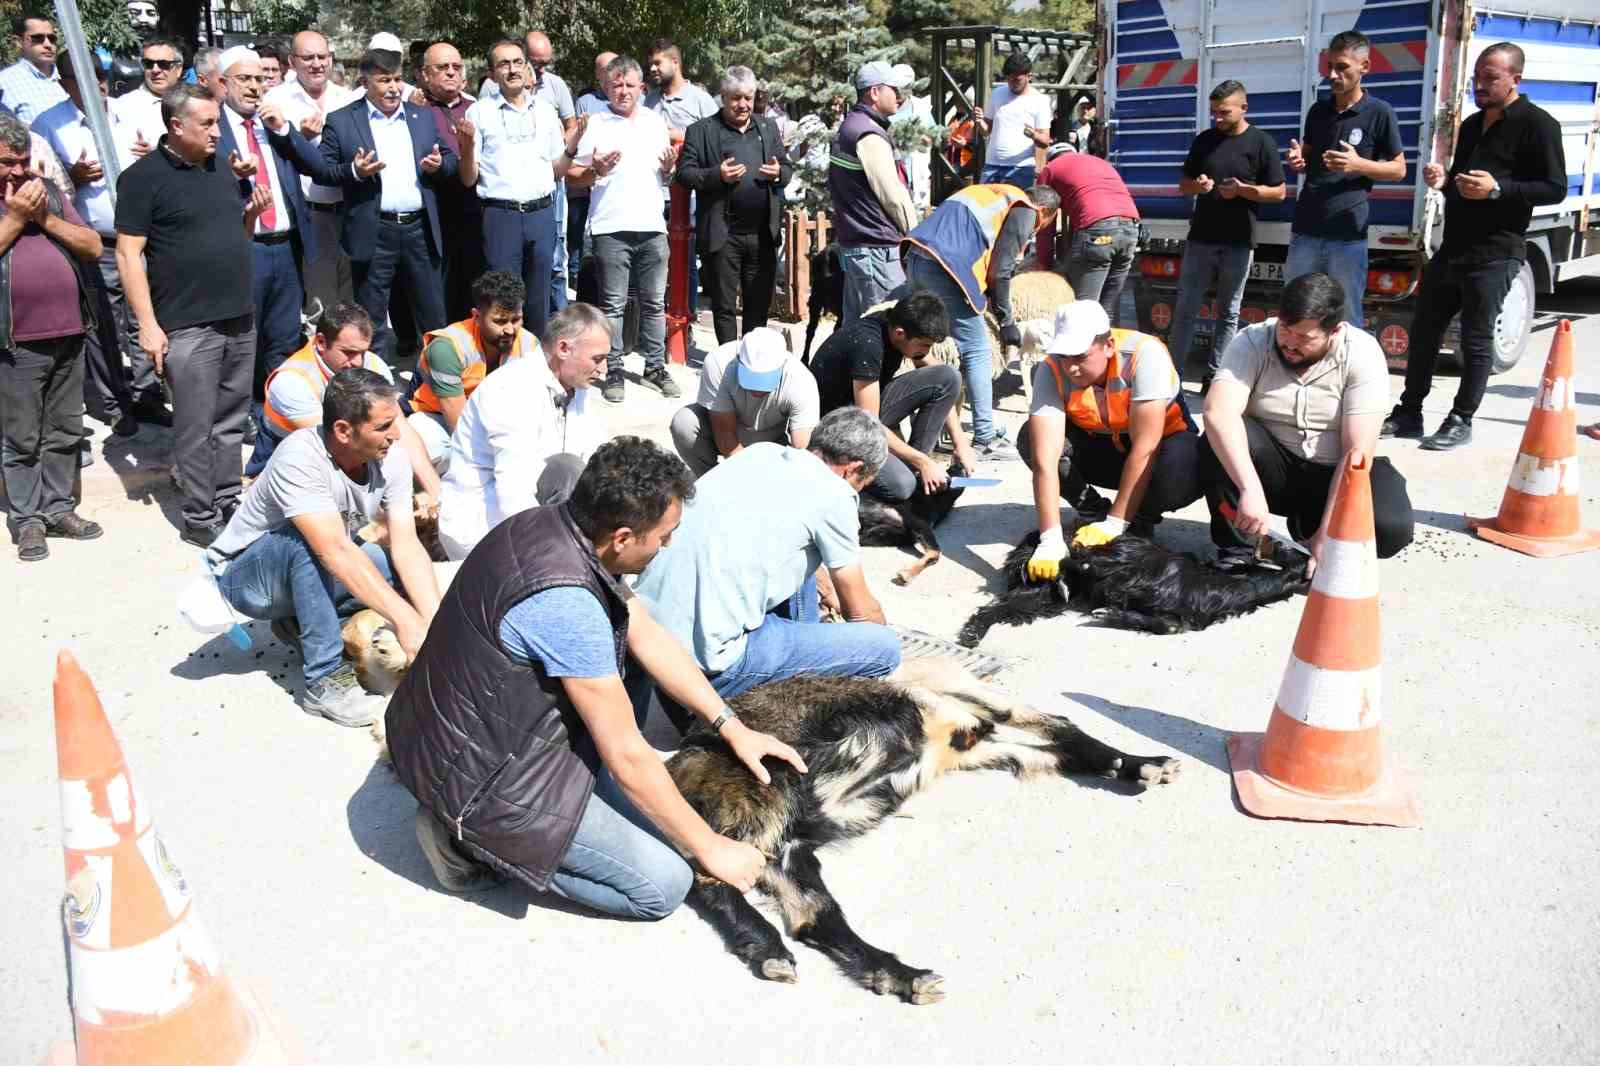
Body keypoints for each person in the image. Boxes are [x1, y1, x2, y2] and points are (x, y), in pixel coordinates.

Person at [386, 437, 806, 913]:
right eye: (664, 536)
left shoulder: (551, 527)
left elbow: (645, 633)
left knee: (662, 816)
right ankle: (464, 842)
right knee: (663, 884)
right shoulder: (567, 604)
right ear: (623, 537)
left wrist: (732, 726)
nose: (669, 545)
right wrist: (712, 848)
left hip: (454, 732)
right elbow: (627, 755)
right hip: (488, 783)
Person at [207, 368, 441, 727]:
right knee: (312, 543)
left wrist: (434, 625)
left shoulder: (390, 454)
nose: (395, 434)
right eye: (383, 426)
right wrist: (406, 622)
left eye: (395, 422)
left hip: (311, 563)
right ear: (344, 431)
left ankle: (303, 622)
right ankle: (324, 680)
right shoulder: (300, 456)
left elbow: (406, 544)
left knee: (393, 568)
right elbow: (333, 551)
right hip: (247, 580)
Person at [635, 406, 902, 700]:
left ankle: (801, 651)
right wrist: (876, 635)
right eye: (864, 482)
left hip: (651, 644)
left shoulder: (760, 453)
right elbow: (861, 611)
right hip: (712, 672)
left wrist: (827, 592)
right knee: (884, 647)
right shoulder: (836, 495)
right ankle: (796, 693)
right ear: (853, 468)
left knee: (806, 551)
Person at [1381, 42, 1565, 451]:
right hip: (1455, 247)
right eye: (1477, 78)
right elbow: (1463, 182)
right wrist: (1444, 180)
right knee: (1425, 330)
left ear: (1516, 79)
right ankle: (1409, 410)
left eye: (1490, 79)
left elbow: (1554, 188)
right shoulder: (1471, 124)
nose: (1479, 86)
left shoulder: (1539, 125)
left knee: (1475, 339)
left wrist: (1498, 189)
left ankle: (1461, 419)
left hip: (1497, 251)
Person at [115, 83, 274, 547]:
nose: (216, 130)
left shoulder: (221, 169)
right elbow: (128, 255)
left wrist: (251, 215)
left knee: (229, 419)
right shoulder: (143, 178)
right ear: (175, 125)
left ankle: (226, 498)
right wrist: (148, 325)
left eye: (217, 121)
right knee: (195, 426)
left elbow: (233, 236)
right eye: (207, 123)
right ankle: (200, 515)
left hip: (237, 316)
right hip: (186, 324)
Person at [1202, 272, 1413, 568]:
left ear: (1335, 331)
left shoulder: (1362, 354)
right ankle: (1238, 549)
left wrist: (1329, 533)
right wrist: (1249, 488)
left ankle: (1311, 526)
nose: (1290, 343)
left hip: (1332, 471)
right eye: (1286, 330)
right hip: (1273, 468)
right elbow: (1218, 412)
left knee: (1390, 529)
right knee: (1219, 436)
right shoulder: (1253, 341)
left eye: (1305, 337)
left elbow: (1355, 454)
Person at [1017, 301, 1205, 576]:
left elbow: (1145, 448)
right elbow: (1045, 458)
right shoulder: (1051, 367)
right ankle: (1092, 510)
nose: (1071, 367)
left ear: (1108, 346)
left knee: (1188, 465)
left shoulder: (1144, 354)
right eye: (1064, 356)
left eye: (1080, 356)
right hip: (1103, 448)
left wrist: (1117, 524)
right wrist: (1050, 539)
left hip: (1158, 449)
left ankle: (1139, 518)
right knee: (1029, 437)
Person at [0, 110, 104, 562]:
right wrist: (17, 218)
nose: (17, 170)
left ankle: (60, 509)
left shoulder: (50, 197)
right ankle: (28, 521)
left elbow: (94, 247)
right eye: (6, 161)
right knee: (22, 437)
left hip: (69, 332)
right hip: (16, 343)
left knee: (64, 430)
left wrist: (45, 218)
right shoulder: (19, 206)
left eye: (22, 160)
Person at [308, 48, 458, 361]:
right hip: (373, 232)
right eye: (384, 80)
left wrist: (438, 165)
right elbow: (321, 171)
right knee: (372, 319)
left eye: (398, 79)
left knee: (432, 314)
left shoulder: (421, 117)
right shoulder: (342, 120)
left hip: (419, 229)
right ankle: (373, 386)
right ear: (365, 82)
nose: (393, 87)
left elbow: (451, 162)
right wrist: (354, 171)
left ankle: (440, 381)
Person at [901, 182, 1061, 461]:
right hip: (945, 268)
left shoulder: (993, 193)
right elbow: (1001, 270)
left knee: (929, 345)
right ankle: (986, 437)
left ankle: (928, 429)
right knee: (977, 350)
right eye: (1044, 224)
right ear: (1045, 211)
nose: (1038, 229)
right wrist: (1006, 320)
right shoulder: (1024, 208)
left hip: (915, 256)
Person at [437, 303, 610, 559]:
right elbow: (513, 493)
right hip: (482, 531)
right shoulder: (512, 388)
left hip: (536, 506)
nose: (604, 370)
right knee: (568, 470)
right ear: (563, 349)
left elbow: (596, 453)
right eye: (597, 359)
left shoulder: (575, 383)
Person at [217, 47, 321, 450]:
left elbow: (315, 164)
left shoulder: (271, 125)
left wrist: (283, 131)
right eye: (245, 79)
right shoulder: (215, 127)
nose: (254, 87)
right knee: (245, 337)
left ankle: (274, 409)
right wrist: (231, 176)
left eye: (260, 79)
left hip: (286, 245)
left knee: (282, 335)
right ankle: (238, 412)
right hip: (246, 247)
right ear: (224, 84)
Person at [32, 53, 139, 438]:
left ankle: (146, 395)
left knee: (144, 318)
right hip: (97, 242)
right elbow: (45, 190)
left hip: (142, 237)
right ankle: (115, 402)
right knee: (105, 324)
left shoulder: (129, 115)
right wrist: (73, 177)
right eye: (80, 78)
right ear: (64, 83)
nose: (95, 84)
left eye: (98, 75)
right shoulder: (49, 125)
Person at [566, 54, 681, 404]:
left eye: (630, 85)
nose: (623, 91)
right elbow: (572, 173)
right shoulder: (596, 124)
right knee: (613, 305)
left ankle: (654, 366)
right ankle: (612, 367)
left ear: (642, 88)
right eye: (616, 85)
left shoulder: (655, 122)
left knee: (654, 303)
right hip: (610, 226)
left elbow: (664, 175)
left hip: (651, 225)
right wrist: (595, 170)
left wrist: (670, 169)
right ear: (606, 87)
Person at [250, 302, 442, 503]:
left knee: (421, 445)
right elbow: (336, 448)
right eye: (349, 352)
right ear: (321, 342)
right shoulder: (292, 381)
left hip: (348, 458)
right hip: (287, 474)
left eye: (363, 352)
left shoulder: (374, 364)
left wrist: (437, 495)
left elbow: (402, 431)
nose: (358, 362)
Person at [1167, 80, 1286, 387]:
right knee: (1185, 310)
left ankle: (1216, 376)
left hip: (1239, 241)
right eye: (1214, 113)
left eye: (1223, 112)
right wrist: (1199, 186)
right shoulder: (1204, 140)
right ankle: (1172, 375)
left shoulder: (1261, 143)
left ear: (1244, 108)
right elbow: (1183, 184)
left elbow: (1280, 192)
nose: (1217, 118)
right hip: (1201, 239)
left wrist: (1244, 191)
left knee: (1228, 313)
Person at [1283, 31, 1406, 327]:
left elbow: (1399, 169)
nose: (1334, 75)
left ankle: (1347, 373)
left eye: (1342, 67)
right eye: (1330, 68)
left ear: (1364, 67)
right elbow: (1308, 156)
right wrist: (1298, 161)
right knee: (1296, 310)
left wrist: (1358, 163)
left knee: (1346, 315)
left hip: (1348, 236)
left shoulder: (1379, 112)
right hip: (1306, 231)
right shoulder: (1318, 111)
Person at [458, 38, 579, 341]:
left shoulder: (547, 111)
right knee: (502, 296)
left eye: (517, 63)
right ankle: (500, 361)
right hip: (501, 215)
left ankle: (534, 360)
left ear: (527, 69)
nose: (512, 70)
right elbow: (468, 179)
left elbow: (556, 170)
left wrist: (574, 147)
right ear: (492, 73)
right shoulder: (479, 112)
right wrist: (468, 147)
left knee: (539, 293)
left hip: (541, 213)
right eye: (503, 64)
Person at [810, 292, 978, 500]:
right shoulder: (868, 344)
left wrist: (960, 443)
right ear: (899, 333)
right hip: (837, 428)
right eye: (924, 345)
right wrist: (923, 463)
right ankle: (912, 471)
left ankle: (916, 468)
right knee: (901, 486)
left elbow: (944, 380)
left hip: (862, 411)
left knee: (949, 376)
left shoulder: (900, 324)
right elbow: (868, 425)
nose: (927, 351)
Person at [675, 65, 791, 345]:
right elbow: (685, 174)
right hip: (723, 234)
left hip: (762, 233)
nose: (743, 105)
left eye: (748, 98)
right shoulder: (701, 131)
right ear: (723, 97)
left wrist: (778, 174)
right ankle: (727, 360)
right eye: (736, 98)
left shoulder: (767, 126)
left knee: (757, 306)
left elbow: (786, 169)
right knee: (724, 307)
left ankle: (752, 360)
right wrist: (718, 175)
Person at [263, 31, 361, 313]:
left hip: (350, 209)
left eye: (322, 57)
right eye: (308, 58)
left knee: (353, 294)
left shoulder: (348, 98)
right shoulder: (276, 100)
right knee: (320, 301)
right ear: (292, 61)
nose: (317, 64)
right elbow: (271, 156)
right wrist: (299, 138)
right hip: (309, 214)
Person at [407, 269, 538, 468]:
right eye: (500, 321)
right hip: (437, 416)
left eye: (516, 319)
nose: (510, 330)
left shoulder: (529, 345)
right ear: (476, 316)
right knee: (439, 451)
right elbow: (459, 426)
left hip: (493, 420)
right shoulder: (447, 348)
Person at [828, 61, 917, 324]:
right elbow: (892, 196)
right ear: (874, 92)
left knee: (856, 328)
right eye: (893, 89)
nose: (899, 96)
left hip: (859, 247)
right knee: (883, 327)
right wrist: (915, 237)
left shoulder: (851, 126)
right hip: (877, 249)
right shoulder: (867, 133)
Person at [670, 326, 819, 477]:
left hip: (772, 442)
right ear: (738, 360)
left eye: (765, 381)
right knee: (684, 423)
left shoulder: (801, 381)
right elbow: (725, 435)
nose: (758, 390)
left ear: (783, 366)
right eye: (752, 379)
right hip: (727, 430)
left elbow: (802, 451)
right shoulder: (719, 362)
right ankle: (712, 480)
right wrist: (746, 478)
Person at [643, 39, 717, 319]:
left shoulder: (700, 100)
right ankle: (656, 319)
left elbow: (714, 141)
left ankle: (685, 319)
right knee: (656, 260)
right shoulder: (649, 101)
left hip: (688, 196)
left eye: (658, 62)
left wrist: (676, 135)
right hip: (653, 193)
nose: (652, 68)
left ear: (675, 63)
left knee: (684, 261)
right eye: (650, 63)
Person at [1039, 142, 1141, 323]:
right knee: (1106, 312)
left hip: (1098, 230)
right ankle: (1107, 349)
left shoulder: (1050, 170)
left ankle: (1082, 350)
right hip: (1130, 229)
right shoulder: (1099, 163)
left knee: (1083, 311)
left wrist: (1046, 267)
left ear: (1051, 159)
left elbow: (1044, 224)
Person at [416, 41, 481, 322]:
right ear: (424, 75)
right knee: (439, 285)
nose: (451, 73)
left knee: (473, 280)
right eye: (442, 67)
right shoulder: (415, 112)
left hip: (475, 208)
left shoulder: (477, 108)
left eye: (456, 67)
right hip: (434, 209)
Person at [974, 52, 1051, 188]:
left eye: (1017, 80)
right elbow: (986, 132)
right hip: (991, 165)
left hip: (1021, 169)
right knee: (984, 207)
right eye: (1009, 79)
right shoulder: (997, 93)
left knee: (1017, 209)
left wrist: (1033, 134)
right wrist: (980, 122)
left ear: (1029, 77)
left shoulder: (1040, 100)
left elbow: (1045, 141)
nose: (1012, 84)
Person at [0, 14, 67, 124]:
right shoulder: (5, 83)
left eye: (52, 38)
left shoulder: (72, 77)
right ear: (18, 42)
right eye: (38, 38)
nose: (47, 44)